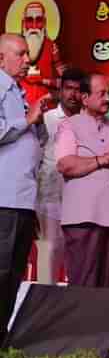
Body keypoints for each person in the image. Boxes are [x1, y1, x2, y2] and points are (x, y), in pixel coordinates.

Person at [56, 73, 109, 287]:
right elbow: (66, 164)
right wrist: (101, 160)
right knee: (84, 286)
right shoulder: (69, 125)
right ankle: (81, 323)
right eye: (102, 93)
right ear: (84, 98)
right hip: (85, 218)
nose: (107, 98)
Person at [0, 33, 46, 342]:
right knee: (1, 273)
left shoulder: (19, 92)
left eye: (28, 54)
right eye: (22, 53)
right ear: (2, 58)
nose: (28, 60)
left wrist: (36, 122)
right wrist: (27, 120)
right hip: (4, 200)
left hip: (24, 200)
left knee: (13, 276)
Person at [35, 67, 85, 284]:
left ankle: (74, 312)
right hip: (49, 198)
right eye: (68, 88)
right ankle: (43, 310)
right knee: (49, 255)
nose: (72, 94)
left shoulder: (88, 121)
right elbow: (33, 158)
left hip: (80, 199)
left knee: (79, 260)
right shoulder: (45, 119)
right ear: (60, 90)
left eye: (77, 89)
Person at [20, 2, 67, 107]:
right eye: (29, 20)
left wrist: (43, 80)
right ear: (23, 23)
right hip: (19, 105)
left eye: (39, 20)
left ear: (45, 22)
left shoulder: (52, 47)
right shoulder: (16, 46)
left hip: (46, 106)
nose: (34, 26)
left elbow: (65, 81)